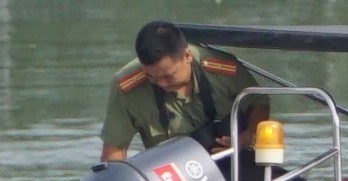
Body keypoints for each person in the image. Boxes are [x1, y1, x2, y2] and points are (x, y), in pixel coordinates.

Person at [100, 21, 245, 162]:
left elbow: (258, 104)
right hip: (171, 175)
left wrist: (244, 139)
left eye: (168, 76)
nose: (162, 83)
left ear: (187, 56)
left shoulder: (222, 69)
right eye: (151, 77)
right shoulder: (127, 86)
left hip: (230, 161)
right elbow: (114, 151)